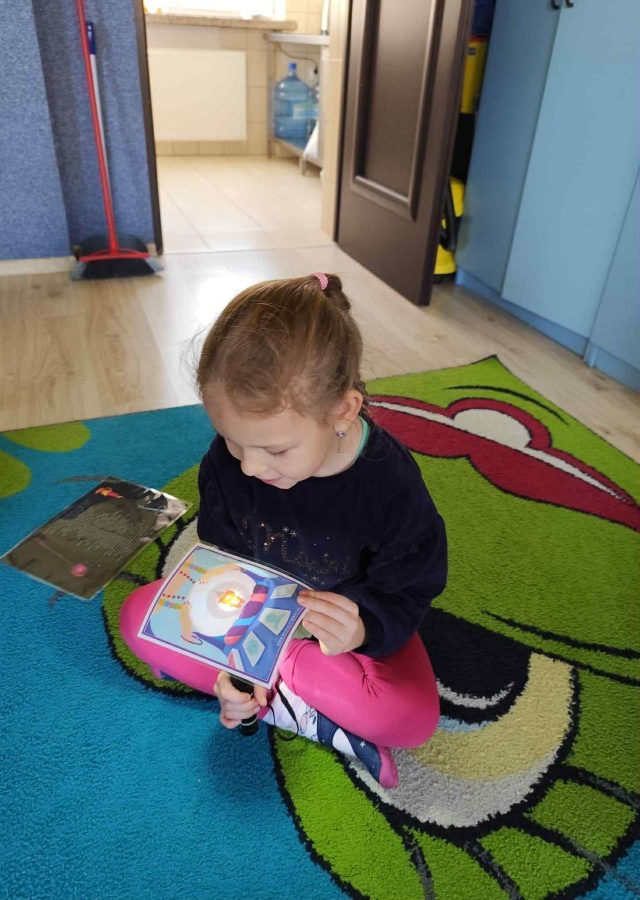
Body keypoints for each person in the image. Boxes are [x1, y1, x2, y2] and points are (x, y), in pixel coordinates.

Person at [119, 273, 447, 789]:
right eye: (231, 440)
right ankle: (306, 710)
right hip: (257, 612)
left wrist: (362, 628)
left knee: (410, 720)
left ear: (341, 413)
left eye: (274, 449)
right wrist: (235, 666)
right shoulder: (231, 462)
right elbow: (226, 560)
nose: (249, 467)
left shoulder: (390, 487)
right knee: (139, 617)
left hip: (343, 629)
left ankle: (281, 694)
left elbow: (411, 587)